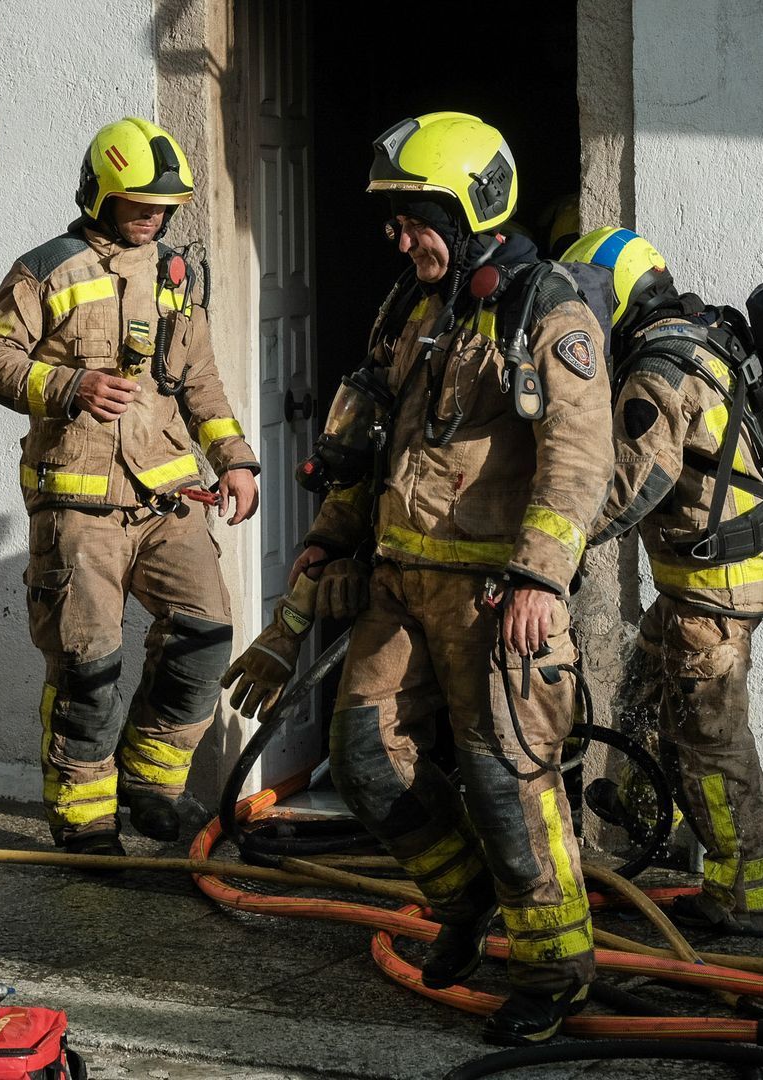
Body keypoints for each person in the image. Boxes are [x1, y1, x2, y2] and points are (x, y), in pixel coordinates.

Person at [228, 112, 613, 1045]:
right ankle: (466, 896)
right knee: (360, 756)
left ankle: (556, 968)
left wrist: (540, 579)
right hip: (402, 582)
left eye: (415, 215)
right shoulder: (410, 306)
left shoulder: (546, 308)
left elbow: (578, 458)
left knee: (507, 782)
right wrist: (324, 544)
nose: (399, 237)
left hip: (496, 597)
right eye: (395, 218)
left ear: (472, 205)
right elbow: (365, 449)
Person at [0, 117, 259, 859]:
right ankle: (85, 820)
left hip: (165, 499)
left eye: (164, 207)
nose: (153, 218)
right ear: (99, 194)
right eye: (138, 204)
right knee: (87, 668)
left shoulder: (177, 275)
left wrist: (233, 459)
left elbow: (199, 378)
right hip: (79, 505)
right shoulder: (49, 270)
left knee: (205, 633)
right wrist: (69, 385)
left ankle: (152, 782)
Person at [565, 226, 763, 938]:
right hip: (722, 571)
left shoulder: (657, 373)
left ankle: (750, 896)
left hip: (716, 584)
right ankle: (646, 820)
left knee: (710, 740)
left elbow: (632, 484)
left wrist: (555, 541)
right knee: (655, 691)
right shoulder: (700, 335)